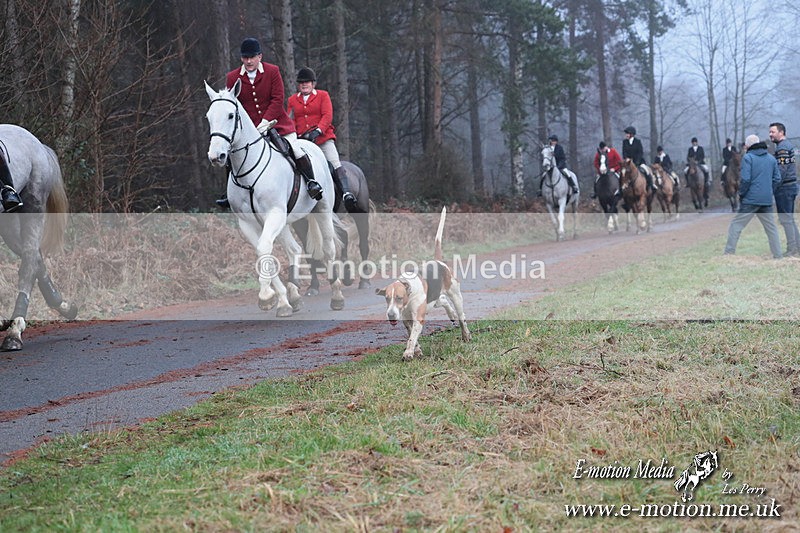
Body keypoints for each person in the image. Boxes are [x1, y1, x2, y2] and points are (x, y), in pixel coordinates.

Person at [216, 38, 322, 208]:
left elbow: (277, 99)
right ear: (241, 58)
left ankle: (311, 183)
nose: (249, 61)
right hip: (249, 130)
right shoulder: (232, 77)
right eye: (245, 58)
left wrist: (265, 122)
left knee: (295, 149)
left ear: (260, 56)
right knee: (232, 155)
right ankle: (230, 194)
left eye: (252, 57)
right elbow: (232, 104)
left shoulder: (272, 71)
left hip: (278, 125)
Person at [287, 67, 356, 211]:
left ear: (313, 83)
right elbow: (291, 119)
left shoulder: (323, 96)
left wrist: (318, 130)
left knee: (334, 162)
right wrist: (295, 135)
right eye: (301, 82)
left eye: (307, 82)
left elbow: (327, 116)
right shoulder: (292, 100)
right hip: (302, 141)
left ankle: (346, 193)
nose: (304, 85)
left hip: (322, 139)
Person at [723, 134, 782, 259]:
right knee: (771, 229)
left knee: (736, 225)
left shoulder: (748, 158)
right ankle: (778, 255)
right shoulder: (771, 158)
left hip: (750, 200)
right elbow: (777, 179)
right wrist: (769, 191)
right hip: (766, 200)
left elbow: (745, 180)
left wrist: (741, 194)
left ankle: (729, 254)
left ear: (748, 146)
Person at [768, 122, 799, 256]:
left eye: (773, 132)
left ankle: (792, 249)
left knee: (786, 219)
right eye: (770, 132)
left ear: (781, 132)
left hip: (785, 188)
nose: (770, 134)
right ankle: (797, 246)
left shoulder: (782, 148)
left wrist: (773, 186)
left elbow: (782, 170)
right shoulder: (786, 146)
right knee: (789, 219)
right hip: (790, 186)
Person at [621, 126, 657, 191]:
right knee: (622, 173)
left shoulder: (637, 142)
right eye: (626, 133)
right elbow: (624, 152)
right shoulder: (624, 142)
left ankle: (651, 185)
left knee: (647, 171)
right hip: (628, 163)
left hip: (639, 162)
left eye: (627, 133)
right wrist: (626, 158)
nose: (626, 135)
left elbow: (640, 152)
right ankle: (620, 190)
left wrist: (637, 162)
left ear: (632, 134)